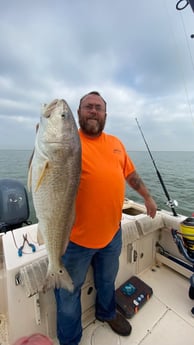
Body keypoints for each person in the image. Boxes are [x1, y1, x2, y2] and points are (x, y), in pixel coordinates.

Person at [54, 91, 157, 345]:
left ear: (105, 115)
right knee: (68, 293)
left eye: (98, 107)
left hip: (112, 235)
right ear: (78, 113)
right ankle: (70, 340)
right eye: (88, 106)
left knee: (107, 280)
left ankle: (107, 313)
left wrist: (147, 197)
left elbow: (130, 174)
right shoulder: (67, 143)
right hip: (74, 241)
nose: (93, 111)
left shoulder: (116, 143)